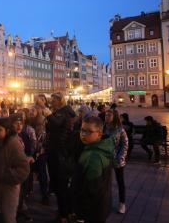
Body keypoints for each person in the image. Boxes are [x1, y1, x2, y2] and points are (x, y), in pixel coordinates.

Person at [0, 118, 30, 223]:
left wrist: (6, 175)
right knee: (3, 211)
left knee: (9, 216)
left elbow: (23, 168)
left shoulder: (13, 144)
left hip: (10, 186)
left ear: (7, 131)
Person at [75, 116, 114, 223]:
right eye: (82, 130)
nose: (83, 134)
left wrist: (80, 212)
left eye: (89, 131)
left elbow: (92, 189)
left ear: (99, 134)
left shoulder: (94, 156)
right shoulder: (100, 147)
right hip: (102, 206)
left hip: (92, 211)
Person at [45, 92, 76, 223]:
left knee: (61, 184)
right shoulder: (60, 112)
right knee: (58, 184)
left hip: (59, 152)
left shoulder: (65, 112)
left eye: (53, 100)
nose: (51, 102)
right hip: (55, 151)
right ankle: (65, 211)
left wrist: (49, 115)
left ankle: (64, 214)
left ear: (60, 100)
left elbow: (58, 124)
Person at [104, 109, 128, 214]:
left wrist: (120, 157)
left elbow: (125, 144)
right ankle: (105, 202)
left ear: (114, 117)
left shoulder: (120, 130)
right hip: (105, 159)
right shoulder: (104, 128)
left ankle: (122, 203)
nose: (107, 117)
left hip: (117, 159)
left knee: (120, 181)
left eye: (109, 115)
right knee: (105, 181)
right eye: (106, 115)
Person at [28, 106, 48, 205]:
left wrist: (39, 151)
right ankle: (29, 191)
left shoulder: (41, 122)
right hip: (32, 152)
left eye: (33, 110)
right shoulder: (29, 123)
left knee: (42, 173)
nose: (31, 112)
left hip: (40, 153)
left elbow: (43, 138)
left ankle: (45, 196)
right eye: (30, 110)